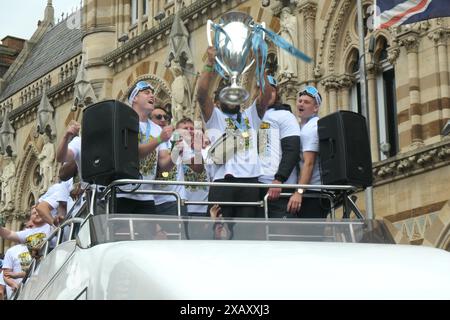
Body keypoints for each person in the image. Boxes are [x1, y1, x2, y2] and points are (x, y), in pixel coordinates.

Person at [197, 46, 267, 221]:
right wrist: (209, 63)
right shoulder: (215, 117)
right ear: (219, 100)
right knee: (218, 232)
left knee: (248, 236)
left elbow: (265, 96)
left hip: (250, 182)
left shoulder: (250, 115)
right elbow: (201, 95)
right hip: (223, 182)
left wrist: (260, 62)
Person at [115, 80, 173, 216]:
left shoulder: (157, 129)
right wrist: (159, 140)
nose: (152, 96)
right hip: (123, 194)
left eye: (152, 93)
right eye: (146, 93)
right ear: (134, 98)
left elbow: (164, 165)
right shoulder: (123, 121)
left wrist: (178, 152)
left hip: (147, 195)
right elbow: (132, 153)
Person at [257, 75, 301, 218]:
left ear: (277, 93)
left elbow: (292, 150)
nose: (267, 94)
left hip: (279, 188)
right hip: (257, 186)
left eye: (271, 91)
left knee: (281, 236)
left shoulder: (284, 115)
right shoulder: (253, 116)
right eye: (263, 90)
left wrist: (279, 180)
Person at [287, 86, 331, 218]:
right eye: (300, 101)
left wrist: (299, 192)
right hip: (311, 191)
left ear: (315, 108)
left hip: (312, 193)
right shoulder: (302, 127)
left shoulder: (311, 128)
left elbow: (309, 163)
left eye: (306, 102)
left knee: (310, 236)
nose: (301, 104)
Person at [278, 7, 298, 78]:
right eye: (283, 14)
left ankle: (290, 70)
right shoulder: (283, 21)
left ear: (288, 13)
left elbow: (295, 29)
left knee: (288, 54)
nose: (284, 15)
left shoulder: (293, 19)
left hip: (289, 39)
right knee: (283, 55)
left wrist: (287, 27)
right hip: (283, 39)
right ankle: (285, 70)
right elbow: (281, 31)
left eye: (285, 13)